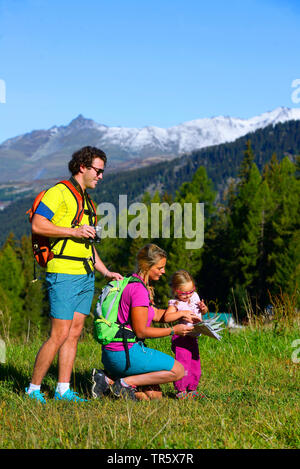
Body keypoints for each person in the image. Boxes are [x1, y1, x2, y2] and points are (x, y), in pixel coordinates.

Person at [25, 146, 122, 403]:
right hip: (63, 273)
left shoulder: (88, 201)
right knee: (58, 334)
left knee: (75, 333)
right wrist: (74, 231)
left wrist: (105, 271)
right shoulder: (59, 192)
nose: (100, 176)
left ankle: (63, 389)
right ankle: (33, 389)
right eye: (98, 171)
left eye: (102, 172)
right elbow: (38, 223)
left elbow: (88, 245)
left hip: (86, 273)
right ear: (83, 167)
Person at [91, 244, 197, 401]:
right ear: (147, 266)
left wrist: (182, 313)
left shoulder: (131, 282)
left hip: (112, 353)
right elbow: (141, 331)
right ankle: (125, 383)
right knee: (178, 371)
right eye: (160, 267)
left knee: (154, 396)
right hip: (124, 353)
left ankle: (106, 380)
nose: (163, 271)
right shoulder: (139, 290)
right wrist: (174, 331)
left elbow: (156, 315)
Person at [164, 269, 208, 400]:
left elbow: (204, 312)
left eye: (191, 291)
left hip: (193, 337)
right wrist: (182, 313)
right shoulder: (176, 303)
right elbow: (167, 317)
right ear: (175, 291)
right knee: (183, 363)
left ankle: (192, 389)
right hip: (181, 337)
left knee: (195, 362)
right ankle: (181, 389)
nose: (188, 295)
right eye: (184, 293)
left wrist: (204, 309)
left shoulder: (195, 297)